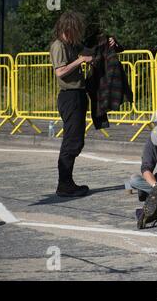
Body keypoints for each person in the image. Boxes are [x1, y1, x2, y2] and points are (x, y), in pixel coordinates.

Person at [50, 11, 116, 197]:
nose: (77, 33)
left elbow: (90, 49)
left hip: (77, 95)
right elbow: (60, 72)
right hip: (69, 96)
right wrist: (80, 60)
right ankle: (64, 184)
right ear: (67, 28)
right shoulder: (58, 46)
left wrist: (109, 42)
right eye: (74, 29)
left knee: (76, 140)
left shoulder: (70, 45)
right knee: (72, 141)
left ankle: (67, 182)